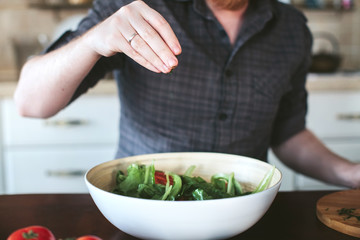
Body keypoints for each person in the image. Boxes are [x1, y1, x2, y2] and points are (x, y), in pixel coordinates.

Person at [14, 0, 360, 188]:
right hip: (144, 210)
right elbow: (30, 102)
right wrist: (93, 40)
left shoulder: (291, 29)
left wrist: (349, 174)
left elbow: (288, 133)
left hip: (243, 212)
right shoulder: (138, 8)